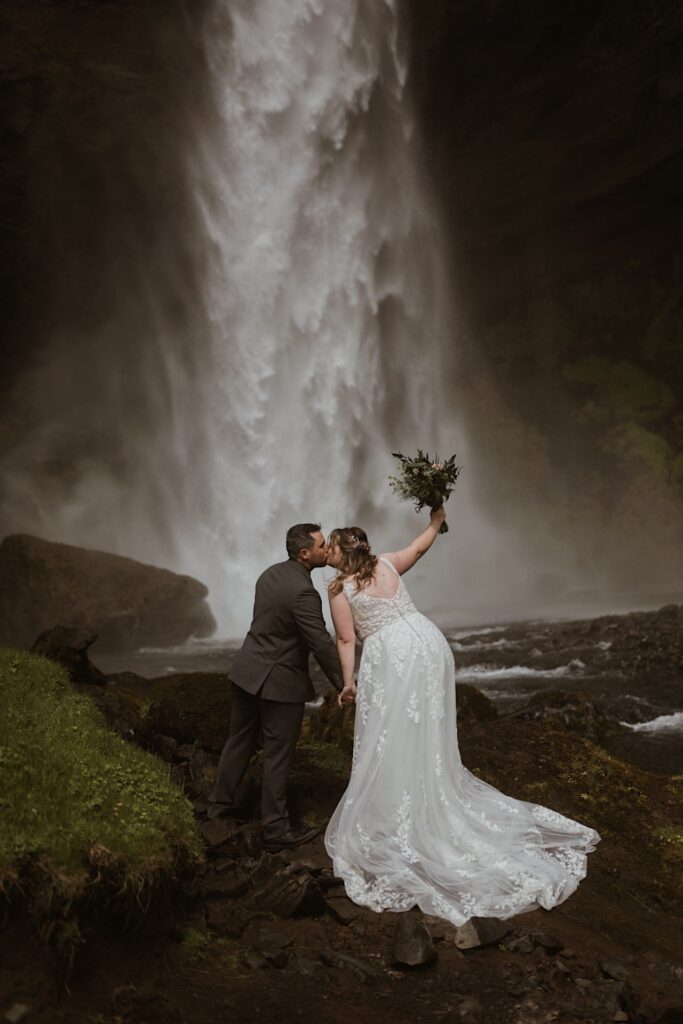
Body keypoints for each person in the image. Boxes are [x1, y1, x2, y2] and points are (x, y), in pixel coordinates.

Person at [324, 509, 600, 925]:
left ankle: (402, 807)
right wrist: (436, 520)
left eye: (330, 544)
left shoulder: (339, 589)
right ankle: (423, 793)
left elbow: (346, 638)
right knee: (423, 727)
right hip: (429, 644)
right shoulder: (385, 563)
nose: (326, 550)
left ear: (341, 553)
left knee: (391, 729)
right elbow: (419, 546)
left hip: (393, 656)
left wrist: (348, 682)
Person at [208, 523, 345, 852]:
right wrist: (346, 683)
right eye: (322, 546)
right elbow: (321, 644)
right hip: (279, 683)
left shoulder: (268, 574)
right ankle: (275, 829)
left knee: (238, 741)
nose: (328, 550)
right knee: (277, 755)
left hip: (246, 672)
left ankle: (216, 809)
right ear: (304, 554)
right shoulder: (304, 593)